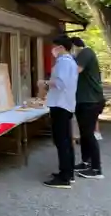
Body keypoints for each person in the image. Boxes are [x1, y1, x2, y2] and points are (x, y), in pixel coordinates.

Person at [38, 36, 78, 189]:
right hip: (65, 104)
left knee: (61, 141)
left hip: (60, 105)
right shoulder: (71, 62)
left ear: (61, 47)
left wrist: (45, 83)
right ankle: (68, 172)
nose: (52, 50)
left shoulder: (64, 62)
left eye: (54, 47)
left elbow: (60, 83)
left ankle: (64, 177)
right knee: (66, 140)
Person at [71, 37, 105, 179]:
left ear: (74, 46)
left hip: (91, 101)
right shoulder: (80, 55)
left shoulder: (85, 52)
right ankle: (86, 162)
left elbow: (75, 71)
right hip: (83, 101)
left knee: (89, 134)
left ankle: (96, 170)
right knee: (85, 134)